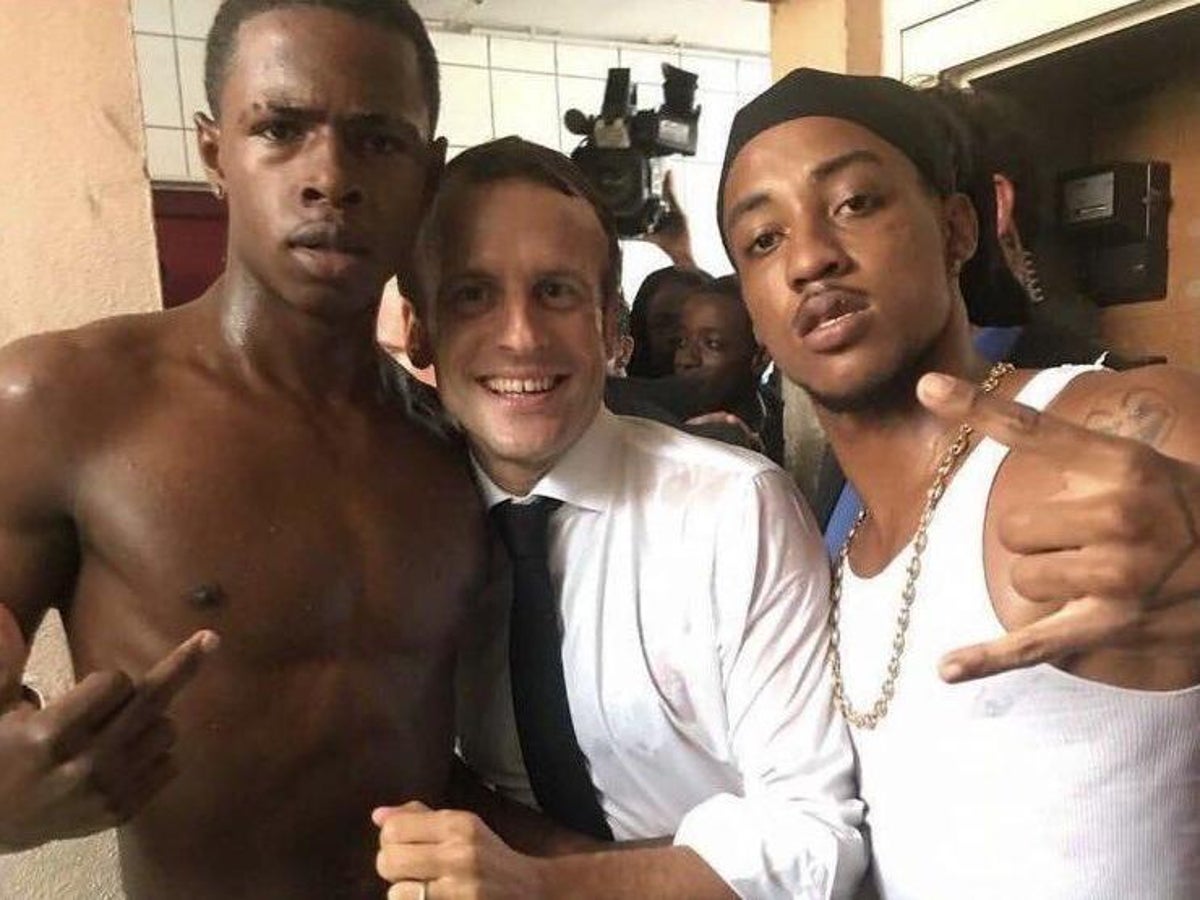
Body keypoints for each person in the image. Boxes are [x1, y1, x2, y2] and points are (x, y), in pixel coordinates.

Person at [0, 2, 487, 898]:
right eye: (280, 129)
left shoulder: (453, 448)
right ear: (213, 152)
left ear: (428, 171)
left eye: (378, 140)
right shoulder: (63, 402)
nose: (329, 178)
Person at [718, 67, 1200, 899]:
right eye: (763, 239)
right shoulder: (828, 547)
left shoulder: (1105, 428)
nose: (810, 257)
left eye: (855, 202)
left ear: (957, 229)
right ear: (753, 310)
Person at [374, 136, 866, 899]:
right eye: (473, 295)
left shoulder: (733, 512)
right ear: (418, 328)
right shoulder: (400, 529)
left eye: (556, 292)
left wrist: (547, 887)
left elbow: (815, 841)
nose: (520, 336)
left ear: (610, 326)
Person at [674, 274, 783, 464]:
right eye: (682, 342)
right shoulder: (658, 428)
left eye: (712, 344)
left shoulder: (786, 429)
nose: (685, 359)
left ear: (760, 358)